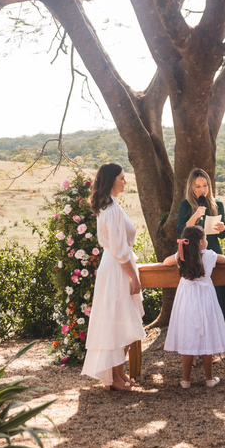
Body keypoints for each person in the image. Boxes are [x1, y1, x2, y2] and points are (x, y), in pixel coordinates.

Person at [82, 163, 144, 391]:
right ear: (111, 180)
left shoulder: (111, 206)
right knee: (118, 320)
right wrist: (133, 277)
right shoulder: (112, 210)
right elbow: (119, 250)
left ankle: (118, 372)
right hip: (118, 268)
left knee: (120, 320)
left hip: (116, 266)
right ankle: (115, 377)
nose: (125, 181)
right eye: (121, 177)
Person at [162, 224, 225, 388]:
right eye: (205, 238)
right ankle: (209, 379)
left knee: (188, 334)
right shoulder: (209, 255)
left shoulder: (181, 255)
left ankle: (186, 380)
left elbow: (166, 262)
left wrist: (179, 252)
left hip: (187, 299)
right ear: (201, 242)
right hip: (205, 298)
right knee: (207, 335)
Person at [176, 167, 225, 330]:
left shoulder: (217, 204)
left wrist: (222, 229)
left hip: (214, 254)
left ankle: (220, 332)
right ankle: (199, 332)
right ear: (191, 188)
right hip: (193, 258)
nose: (202, 190)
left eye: (205, 185)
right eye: (198, 186)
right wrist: (195, 215)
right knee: (199, 300)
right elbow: (181, 232)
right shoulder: (185, 205)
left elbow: (223, 236)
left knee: (218, 293)